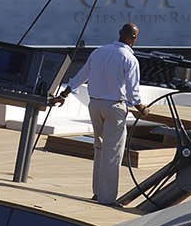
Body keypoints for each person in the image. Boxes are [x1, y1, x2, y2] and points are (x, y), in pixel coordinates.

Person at [50, 23, 146, 204]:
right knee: (113, 153)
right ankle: (107, 198)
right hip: (115, 107)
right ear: (134, 38)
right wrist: (141, 108)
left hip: (94, 105)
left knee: (99, 148)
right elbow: (133, 93)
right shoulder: (130, 59)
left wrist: (63, 94)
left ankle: (97, 192)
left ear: (119, 34)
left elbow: (80, 76)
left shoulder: (98, 52)